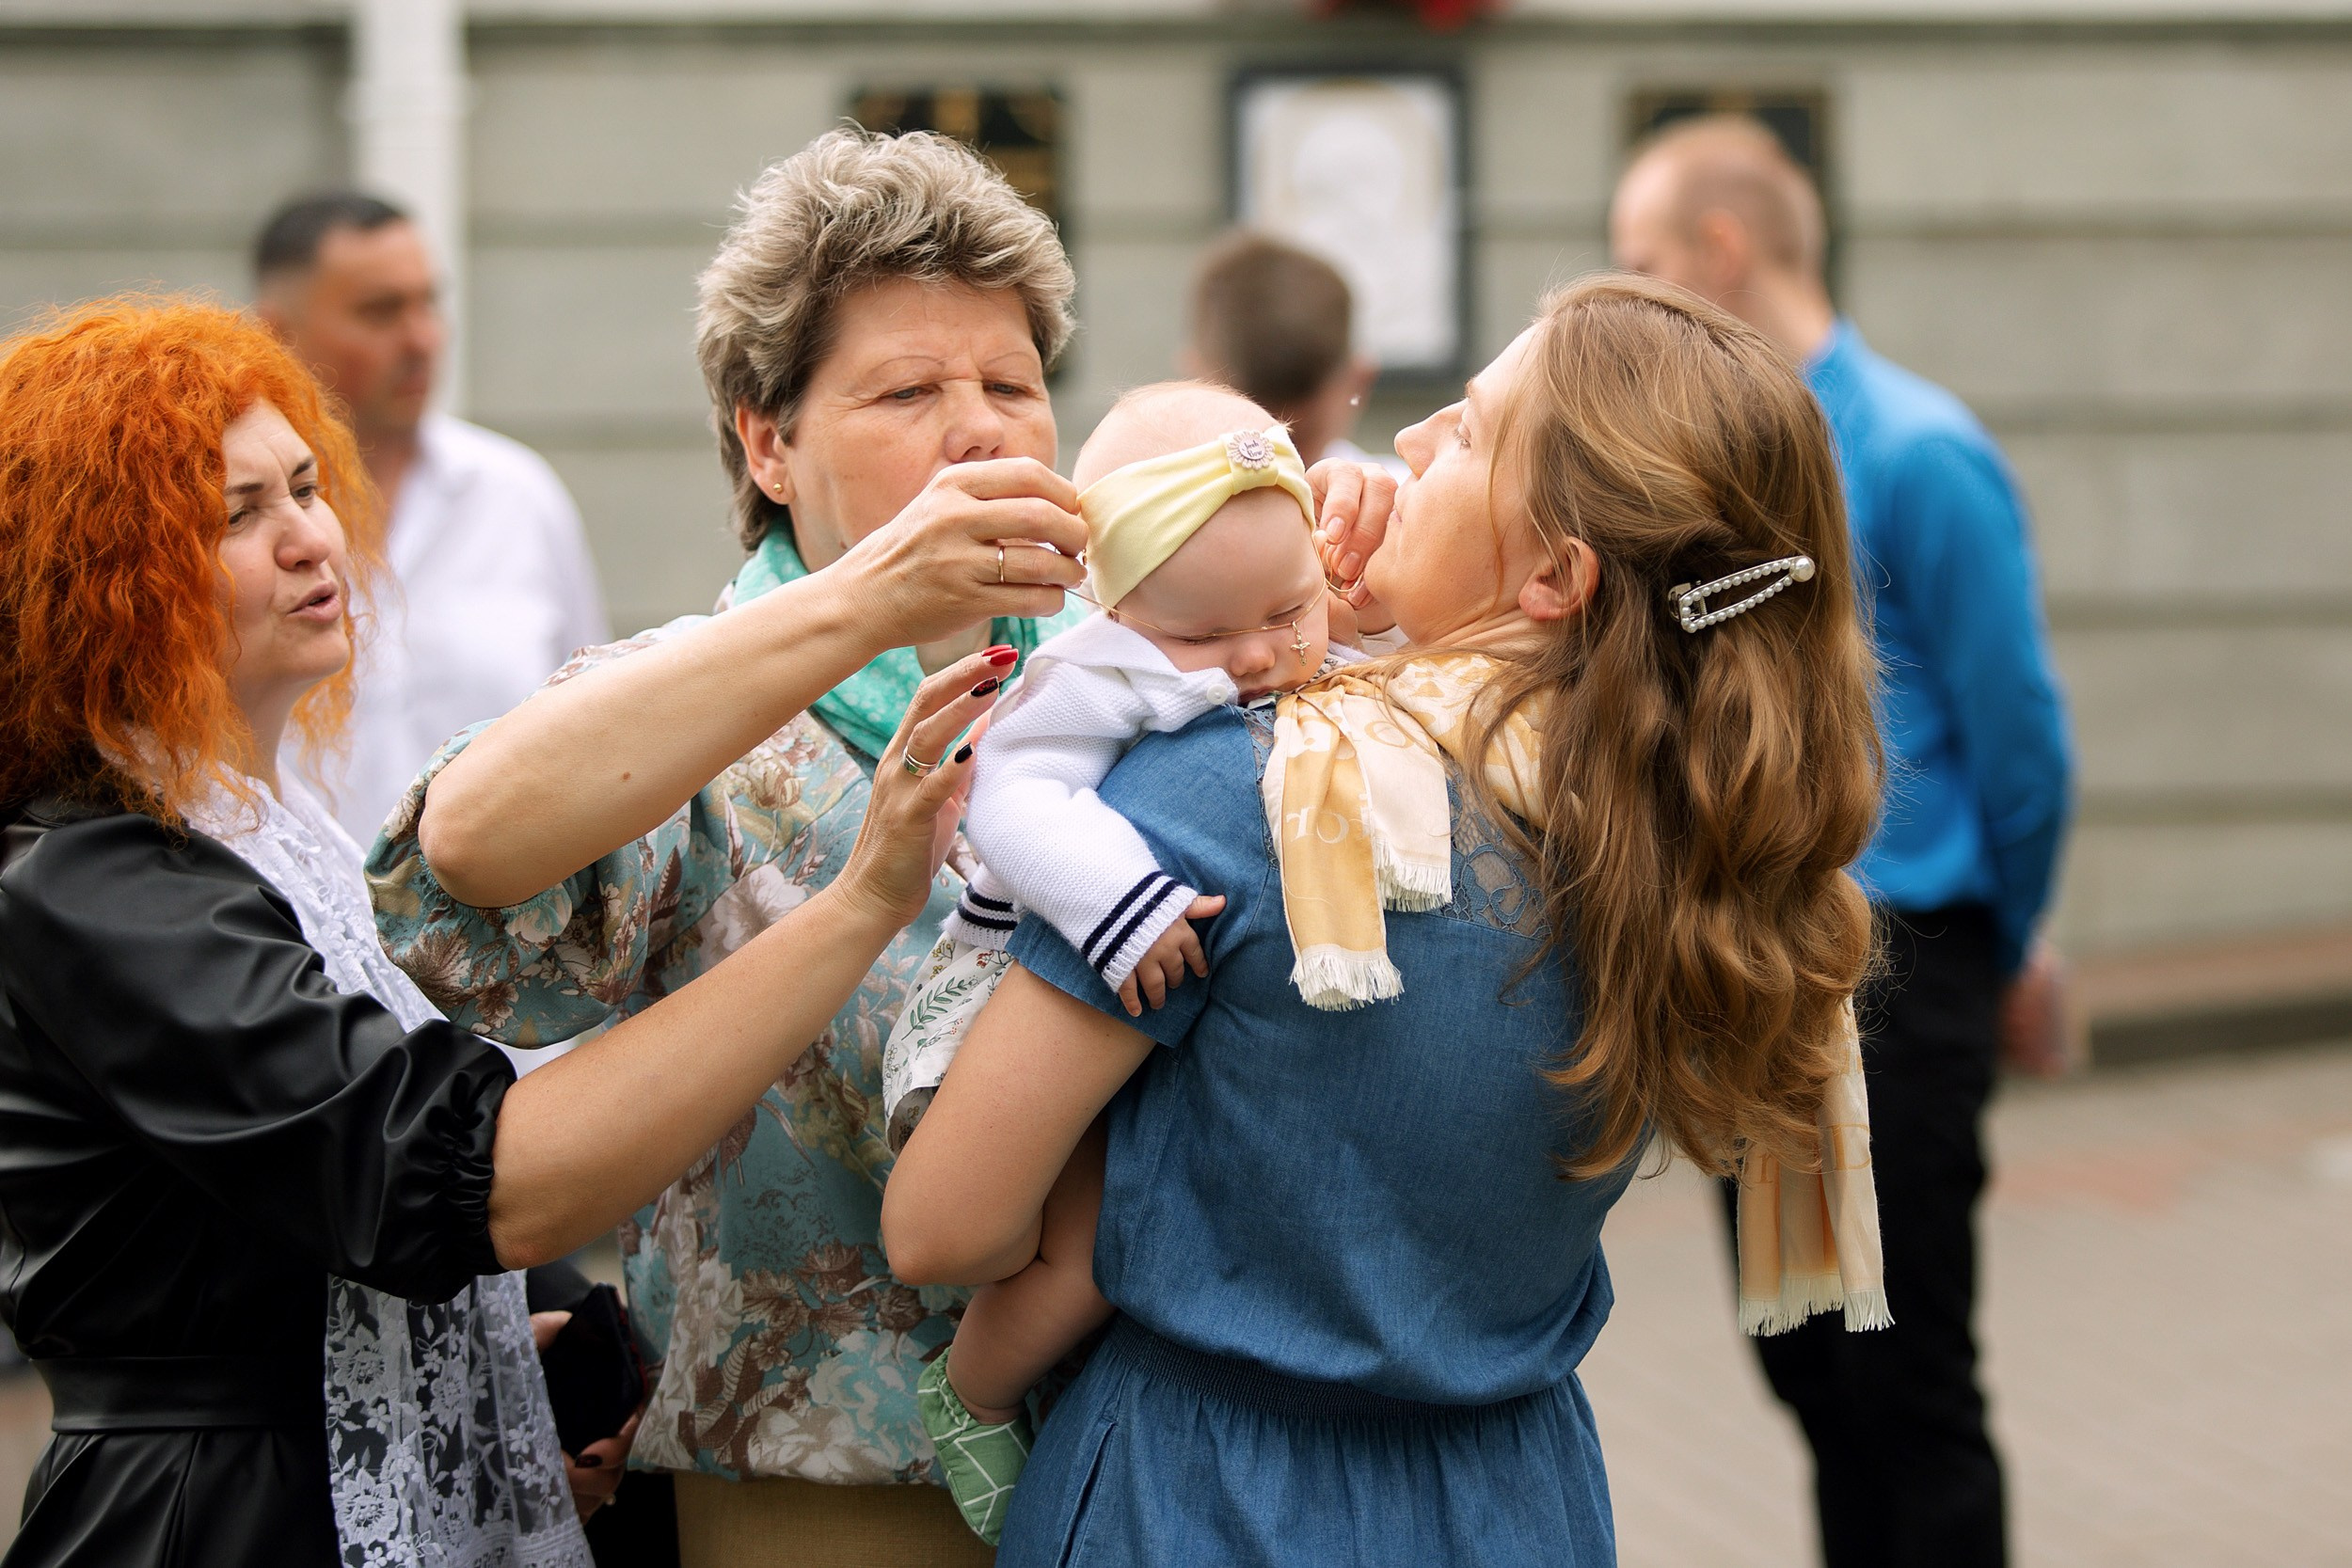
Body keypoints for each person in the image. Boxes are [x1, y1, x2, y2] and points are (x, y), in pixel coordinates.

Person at [881, 274, 1886, 1565]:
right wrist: (1331, 618)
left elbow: (941, 1224)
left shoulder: (1245, 796)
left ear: (1556, 573)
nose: (1403, 443)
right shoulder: (1682, 839)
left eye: (1465, 432)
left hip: (1206, 1495)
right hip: (1517, 1494)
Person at [0, 299, 986, 1566]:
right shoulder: (92, 879)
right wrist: (858, 905)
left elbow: (314, 1225)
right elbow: (467, 1177)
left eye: (305, 486)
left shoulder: (252, 832)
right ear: (96, 580)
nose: (311, 535)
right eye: (234, 513)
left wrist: (540, 1340)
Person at [368, 127, 1088, 1567]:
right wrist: (870, 599)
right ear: (768, 439)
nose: (983, 429)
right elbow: (456, 861)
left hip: (1134, 1450)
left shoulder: (1123, 680)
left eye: (1013, 383)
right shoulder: (694, 714)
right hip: (820, 1487)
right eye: (908, 390)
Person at [1611, 114, 2074, 1568]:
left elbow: (2022, 741)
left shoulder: (1924, 452)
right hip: (1763, 985)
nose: (1631, 296)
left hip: (1907, 979)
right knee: (1812, 1374)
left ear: (1724, 252)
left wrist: (2010, 942)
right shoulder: (1728, 469)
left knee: (1909, 1386)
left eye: (1643, 264)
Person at [893, 382, 1361, 1542]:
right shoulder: (1092, 672)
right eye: (1204, 636)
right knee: (1100, 1243)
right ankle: (975, 1390)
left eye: (1291, 613)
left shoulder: (1276, 615)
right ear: (1113, 600)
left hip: (1132, 1011)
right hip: (1028, 985)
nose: (1259, 657)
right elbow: (1009, 795)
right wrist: (1121, 903)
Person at [254, 191, 610, 846]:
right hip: (288, 930)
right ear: (278, 333)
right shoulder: (230, 528)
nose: (421, 338)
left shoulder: (516, 496)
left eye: (429, 303)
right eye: (380, 311)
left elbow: (591, 729)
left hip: (506, 937)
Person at [1182, 231, 1391, 471]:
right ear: (1361, 381)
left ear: (1197, 382)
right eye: (1254, 444)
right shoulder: (1406, 499)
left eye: (1296, 441)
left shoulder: (1151, 503)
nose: (1280, 465)